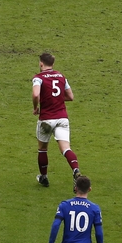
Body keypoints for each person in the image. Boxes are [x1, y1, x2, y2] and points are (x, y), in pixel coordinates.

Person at [33, 53, 80, 187]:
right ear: (52, 64)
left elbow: (36, 94)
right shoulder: (61, 76)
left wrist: (36, 107)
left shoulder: (38, 78)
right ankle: (76, 169)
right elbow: (70, 97)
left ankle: (44, 177)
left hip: (46, 119)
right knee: (66, 149)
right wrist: (56, 99)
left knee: (42, 149)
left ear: (41, 63)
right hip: (62, 118)